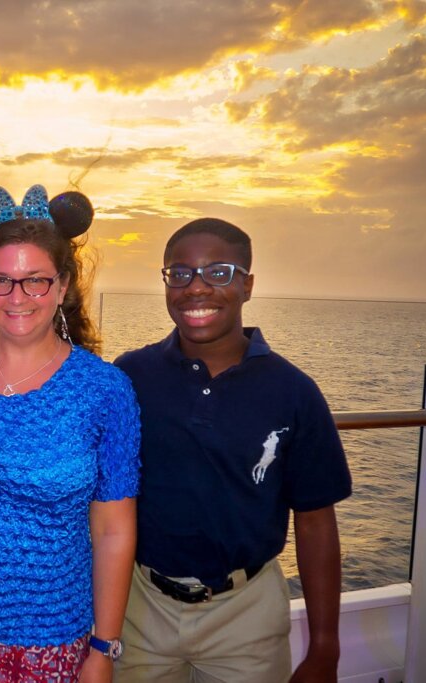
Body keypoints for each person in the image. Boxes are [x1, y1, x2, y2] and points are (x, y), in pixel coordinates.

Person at [114, 217, 352, 682]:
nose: (196, 288)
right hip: (141, 604)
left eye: (218, 272)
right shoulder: (132, 376)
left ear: (247, 284)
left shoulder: (293, 392)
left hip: (246, 612)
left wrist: (325, 645)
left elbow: (316, 519)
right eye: (179, 273)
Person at [0, 184, 141, 683]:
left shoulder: (104, 390)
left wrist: (104, 649)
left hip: (52, 642)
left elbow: (113, 530)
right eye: (1, 280)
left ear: (62, 286)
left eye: (35, 281)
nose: (17, 297)